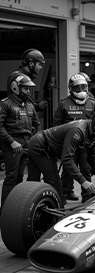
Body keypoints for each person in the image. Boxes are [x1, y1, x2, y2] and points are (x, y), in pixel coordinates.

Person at [27, 109, 95, 206]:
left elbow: (92, 159)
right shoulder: (78, 131)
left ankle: (27, 209)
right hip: (40, 146)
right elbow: (67, 159)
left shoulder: (94, 135)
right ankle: (57, 216)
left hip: (43, 146)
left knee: (33, 183)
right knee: (55, 184)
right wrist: (83, 181)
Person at [53, 73, 95, 202]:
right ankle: (62, 197)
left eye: (83, 87)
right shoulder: (64, 104)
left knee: (86, 169)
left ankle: (87, 197)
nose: (81, 90)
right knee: (67, 172)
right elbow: (56, 125)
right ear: (71, 88)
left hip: (86, 144)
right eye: (77, 87)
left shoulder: (93, 103)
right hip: (70, 143)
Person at [0, 73, 40, 208]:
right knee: (11, 177)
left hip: (27, 143)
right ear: (15, 88)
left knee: (19, 177)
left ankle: (14, 205)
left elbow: (37, 124)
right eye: (26, 89)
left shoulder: (30, 105)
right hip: (12, 143)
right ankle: (4, 209)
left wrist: (35, 139)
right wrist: (12, 142)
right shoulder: (5, 104)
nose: (28, 91)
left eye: (29, 89)